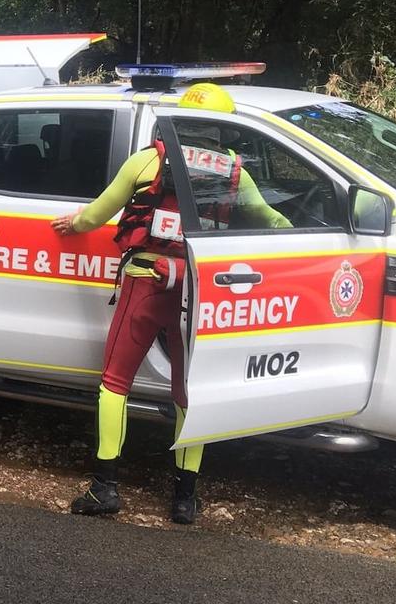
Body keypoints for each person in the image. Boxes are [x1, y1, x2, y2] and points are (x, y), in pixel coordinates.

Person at [51, 83, 290, 524]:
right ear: (221, 129)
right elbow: (270, 220)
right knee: (188, 393)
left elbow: (96, 214)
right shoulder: (236, 172)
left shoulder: (147, 160)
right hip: (197, 293)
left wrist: (73, 223)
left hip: (146, 282)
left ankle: (105, 487)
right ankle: (184, 498)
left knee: (114, 382)